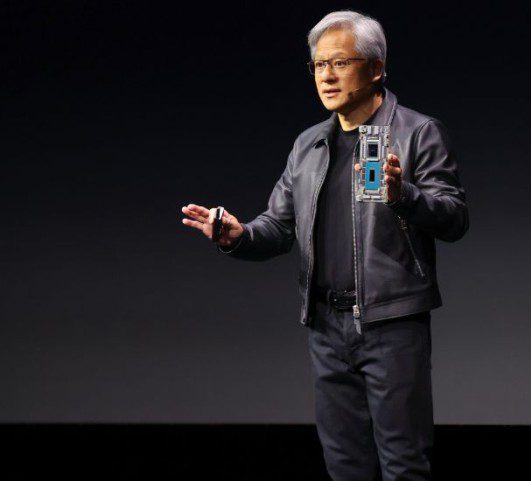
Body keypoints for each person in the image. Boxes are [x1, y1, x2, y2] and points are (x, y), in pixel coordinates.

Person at [182, 9, 468, 481]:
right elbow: (278, 227)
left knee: (403, 462)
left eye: (340, 62)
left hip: (391, 323)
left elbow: (454, 218)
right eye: (318, 64)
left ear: (375, 68)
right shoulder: (309, 145)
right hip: (325, 326)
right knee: (344, 464)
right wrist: (238, 236)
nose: (326, 76)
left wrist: (405, 195)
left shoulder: (417, 133)